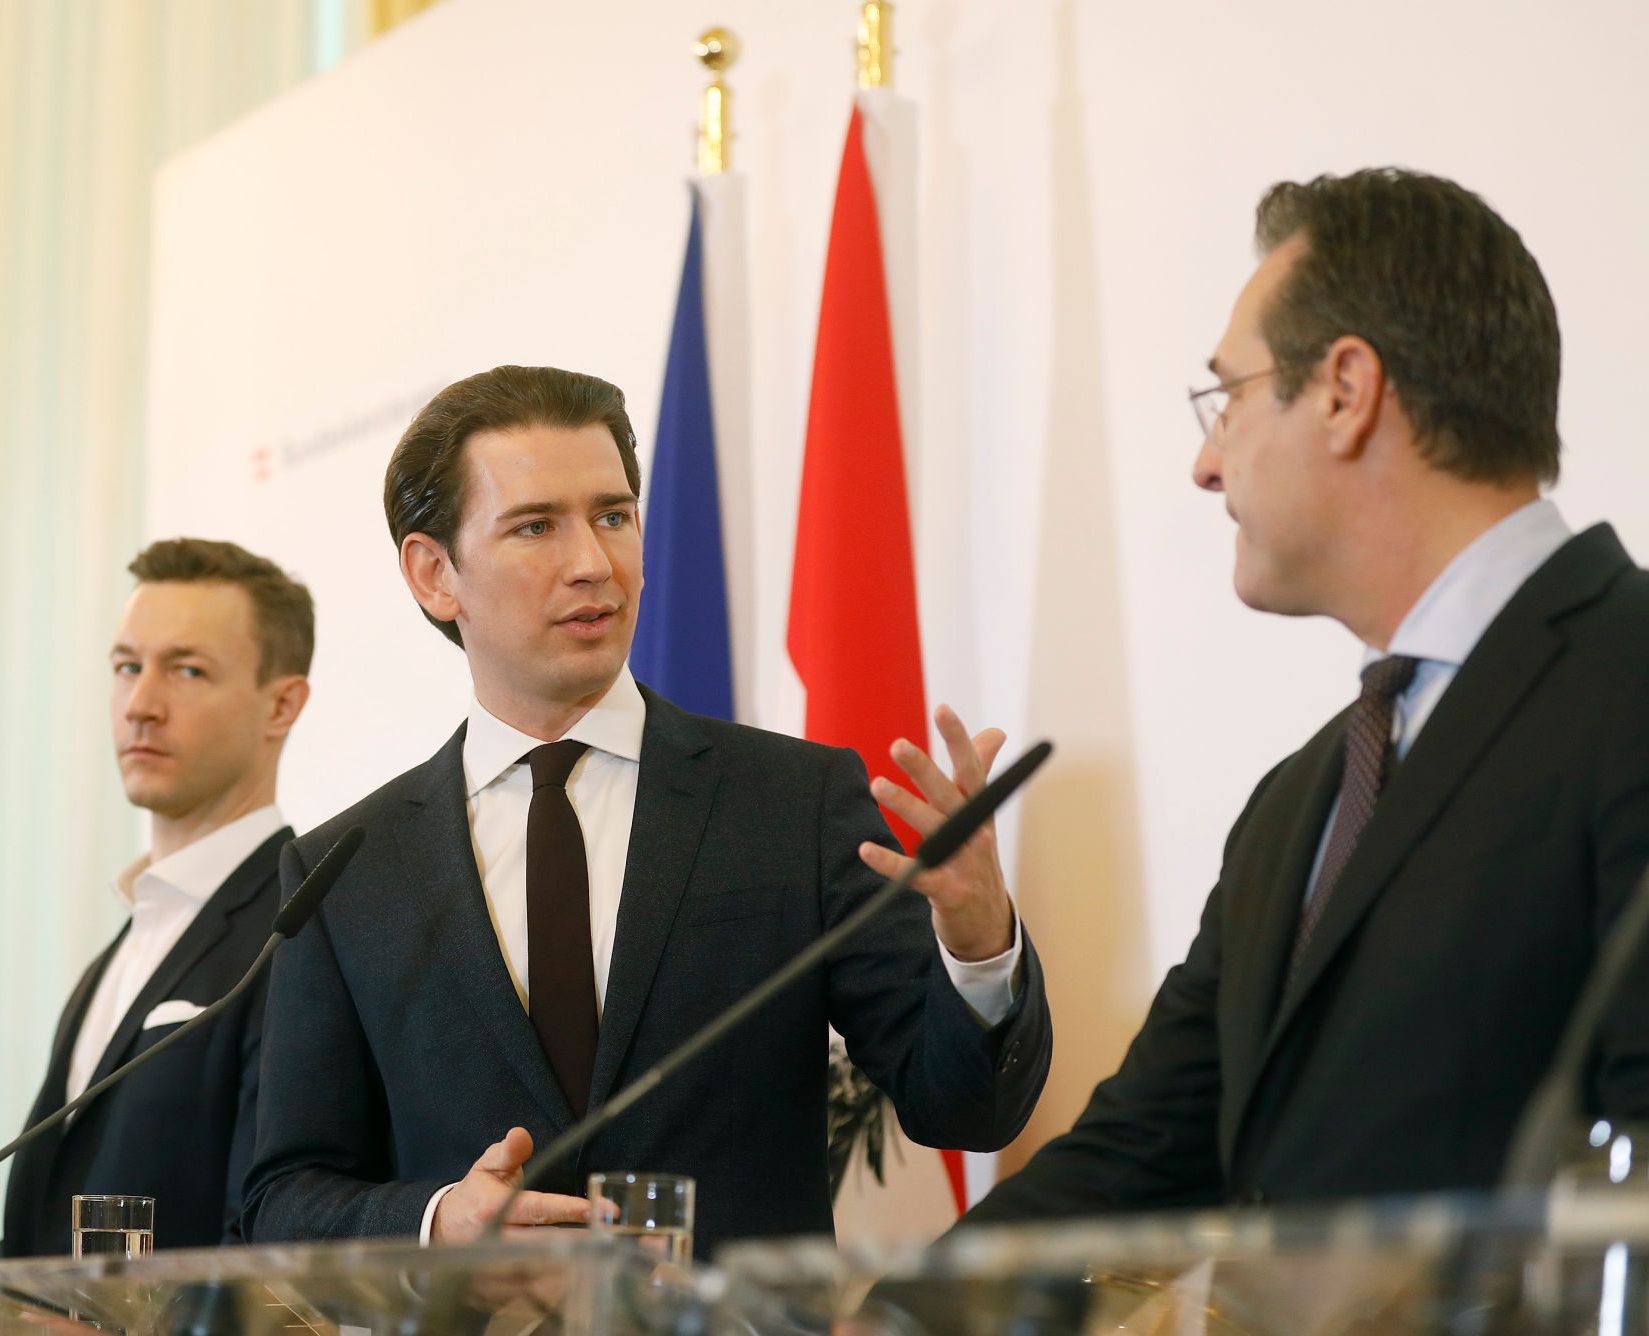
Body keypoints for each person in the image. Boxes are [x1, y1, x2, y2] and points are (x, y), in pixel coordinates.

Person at [959, 168, 1649, 1227]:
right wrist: (884, 1313)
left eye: (1224, 397)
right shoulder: (1299, 800)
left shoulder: (1626, 682)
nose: (1202, 463)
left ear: (1342, 390)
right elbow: (1139, 1151)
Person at [244, 365, 1051, 1257]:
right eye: (536, 526)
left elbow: (965, 1108)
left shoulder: (792, 800)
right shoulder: (345, 873)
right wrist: (438, 1222)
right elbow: (284, 1194)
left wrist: (979, 945)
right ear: (435, 574)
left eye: (613, 516)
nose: (593, 562)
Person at [0, 539, 312, 1257]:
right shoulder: (125, 942)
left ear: (282, 704)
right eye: (127, 668)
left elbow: (269, 1244)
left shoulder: (300, 927)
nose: (141, 705)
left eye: (188, 669)